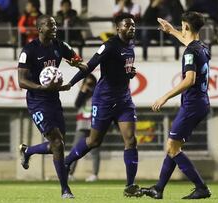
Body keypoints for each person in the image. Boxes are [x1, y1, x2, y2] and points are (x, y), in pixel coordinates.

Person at [61, 13, 142, 197]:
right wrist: (71, 84)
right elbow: (89, 67)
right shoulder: (109, 46)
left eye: (133, 25)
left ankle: (130, 185)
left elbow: (122, 68)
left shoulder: (131, 45)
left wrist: (129, 73)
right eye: (127, 25)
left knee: (131, 141)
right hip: (104, 100)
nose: (132, 28)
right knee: (93, 141)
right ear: (118, 28)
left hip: (124, 100)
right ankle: (67, 162)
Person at [140, 12, 211, 200]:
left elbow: (189, 80)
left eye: (181, 26)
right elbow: (188, 42)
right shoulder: (202, 47)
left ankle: (201, 187)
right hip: (200, 102)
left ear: (186, 26)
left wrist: (164, 97)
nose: (181, 28)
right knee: (173, 147)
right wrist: (171, 31)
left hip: (192, 104)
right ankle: (159, 189)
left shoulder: (190, 52)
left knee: (172, 146)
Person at [17, 14, 83, 199]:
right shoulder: (29, 50)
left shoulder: (60, 46)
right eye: (49, 25)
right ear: (39, 28)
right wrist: (41, 87)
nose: (54, 27)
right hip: (37, 101)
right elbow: (21, 81)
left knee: (58, 144)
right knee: (57, 143)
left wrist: (80, 67)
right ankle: (65, 189)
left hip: (54, 100)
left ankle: (28, 150)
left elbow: (79, 62)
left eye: (55, 24)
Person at [68, 74, 100, 182]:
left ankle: (95, 174)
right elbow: (77, 104)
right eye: (88, 82)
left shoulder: (98, 93)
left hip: (94, 125)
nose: (89, 85)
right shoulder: (83, 93)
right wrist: (83, 91)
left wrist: (93, 89)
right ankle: (70, 173)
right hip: (82, 124)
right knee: (75, 148)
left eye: (91, 83)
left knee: (95, 150)